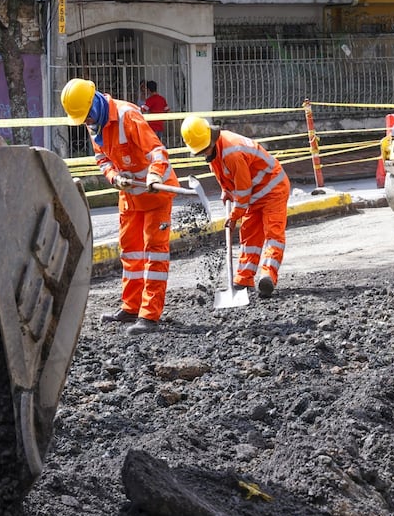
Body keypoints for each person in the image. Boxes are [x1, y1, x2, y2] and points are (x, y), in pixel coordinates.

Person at [62, 77, 178, 334]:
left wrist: (155, 175)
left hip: (155, 194)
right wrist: (115, 177)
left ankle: (149, 315)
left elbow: (157, 151)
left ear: (94, 104)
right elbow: (102, 158)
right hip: (130, 196)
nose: (85, 122)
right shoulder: (94, 123)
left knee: (155, 253)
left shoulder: (128, 116)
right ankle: (131, 307)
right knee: (131, 253)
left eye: (86, 116)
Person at [180, 115, 290, 298]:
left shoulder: (232, 152)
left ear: (210, 138)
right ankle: (244, 279)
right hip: (254, 196)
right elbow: (223, 173)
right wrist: (226, 190)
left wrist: (234, 216)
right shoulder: (215, 150)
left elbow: (244, 190)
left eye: (204, 150)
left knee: (273, 234)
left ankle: (268, 276)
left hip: (273, 190)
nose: (204, 153)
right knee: (249, 235)